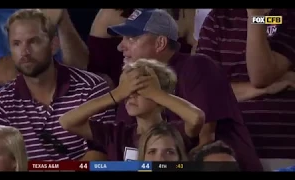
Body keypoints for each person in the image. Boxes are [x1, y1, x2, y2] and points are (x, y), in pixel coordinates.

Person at [107, 8, 261, 171]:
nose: (120, 47)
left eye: (132, 38)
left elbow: (206, 138)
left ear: (160, 43)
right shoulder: (133, 82)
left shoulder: (196, 67)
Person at [0, 9, 115, 161]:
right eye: (16, 44)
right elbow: (3, 163)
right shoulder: (1, 103)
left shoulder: (91, 88)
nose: (24, 52)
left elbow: (100, 154)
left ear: (53, 45)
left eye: (33, 41)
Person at [196, 8, 295, 170]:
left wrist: (255, 17)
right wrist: (261, 90)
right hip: (232, 153)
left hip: (286, 151)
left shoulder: (289, 17)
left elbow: (261, 75)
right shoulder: (219, 18)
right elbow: (205, 93)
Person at [0, 8, 88, 142]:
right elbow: (6, 74)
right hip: (4, 132)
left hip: (60, 119)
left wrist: (63, 19)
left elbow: (80, 68)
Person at [59, 58, 205, 161]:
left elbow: (196, 118)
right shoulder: (117, 134)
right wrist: (116, 94)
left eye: (138, 88)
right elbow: (67, 121)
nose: (130, 95)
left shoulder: (176, 132)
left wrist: (157, 94)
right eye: (126, 88)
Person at [87, 8, 196, 87]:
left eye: (131, 37)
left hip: (176, 84)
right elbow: (95, 69)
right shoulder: (110, 14)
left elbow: (194, 49)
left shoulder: (185, 13)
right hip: (129, 88)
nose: (120, 46)